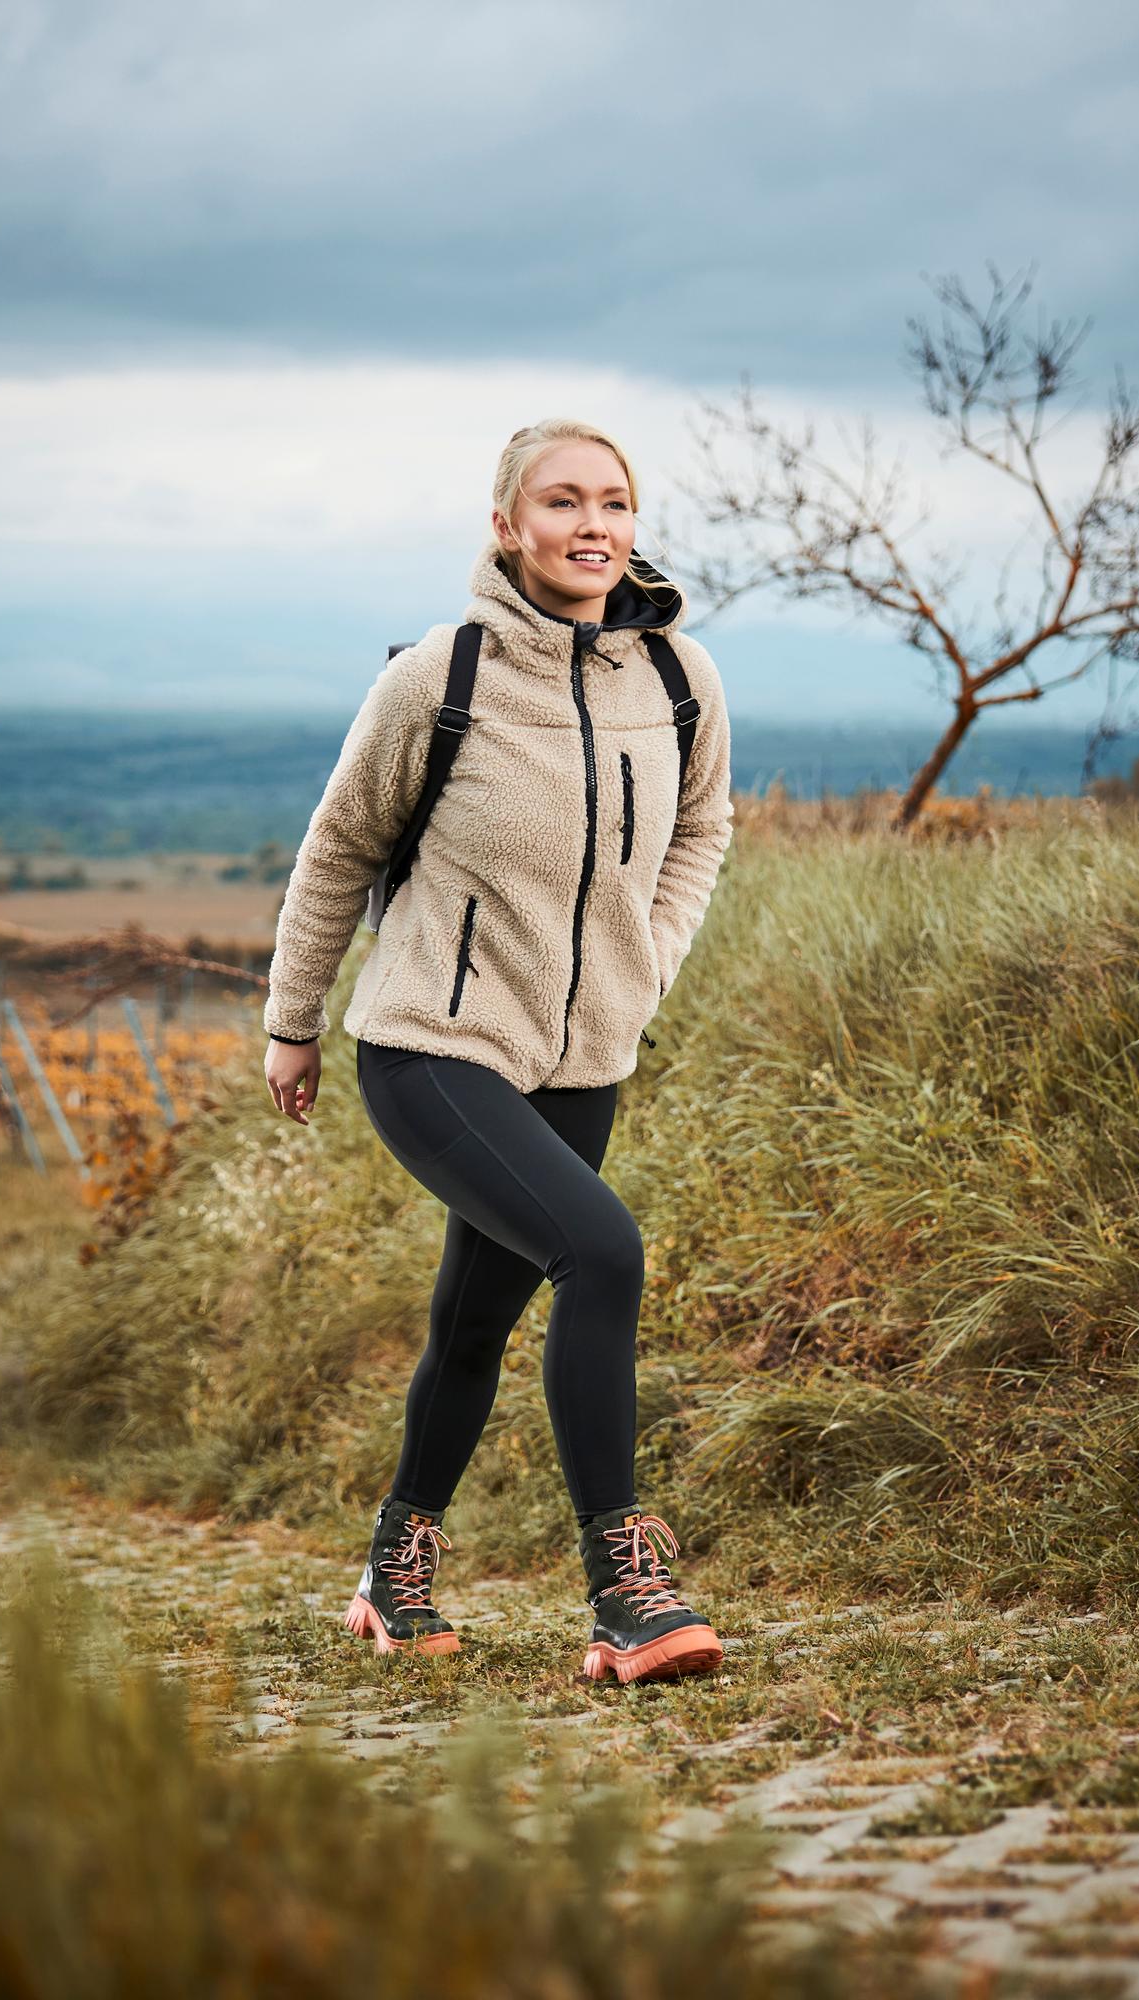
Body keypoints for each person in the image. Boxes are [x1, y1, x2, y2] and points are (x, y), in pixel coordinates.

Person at [260, 419, 735, 1686]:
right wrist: (291, 1021)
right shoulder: (439, 676)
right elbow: (339, 849)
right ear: (506, 525)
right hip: (430, 1043)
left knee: (474, 1320)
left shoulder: (677, 676)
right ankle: (625, 1588)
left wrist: (651, 957)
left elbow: (700, 828)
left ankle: (391, 1567)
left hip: (584, 1051)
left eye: (615, 502)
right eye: (563, 500)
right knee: (602, 1247)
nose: (593, 524)